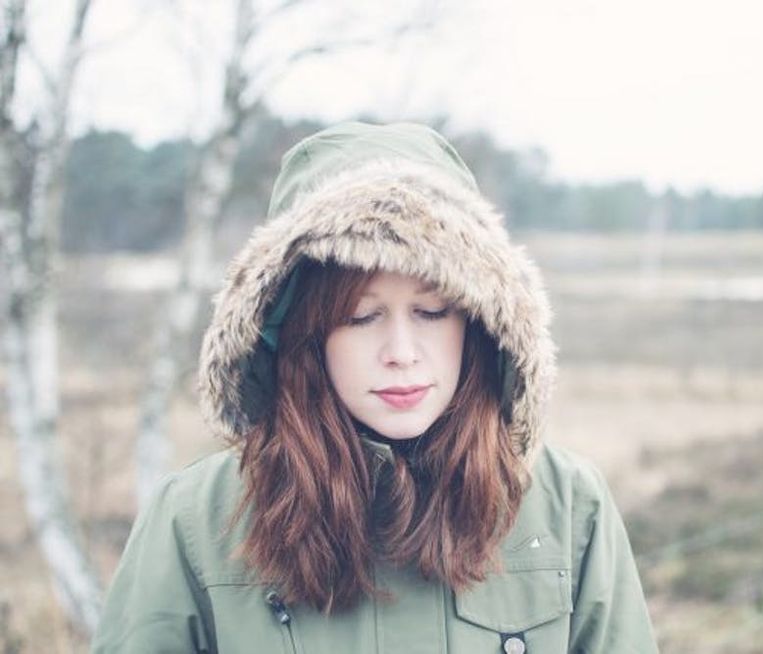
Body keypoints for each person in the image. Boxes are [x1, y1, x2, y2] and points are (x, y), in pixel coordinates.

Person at [91, 121, 659, 653]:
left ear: (481, 325)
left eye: (432, 312)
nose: (402, 353)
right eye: (361, 318)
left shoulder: (565, 508)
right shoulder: (196, 519)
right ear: (301, 336)